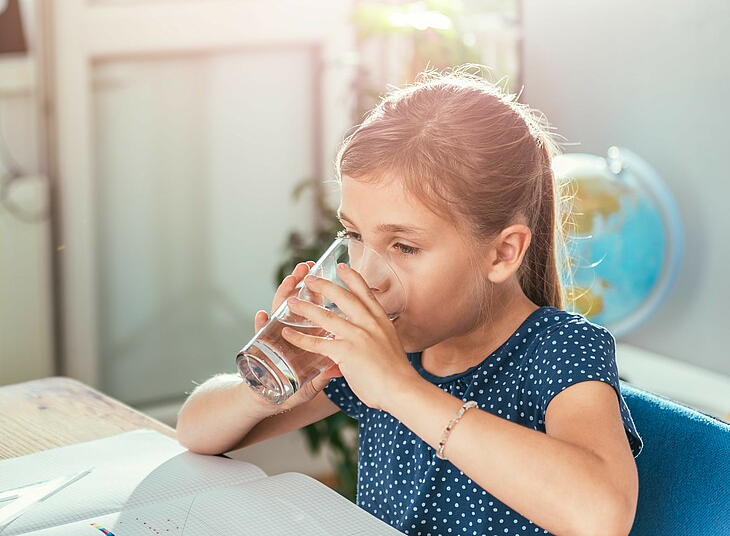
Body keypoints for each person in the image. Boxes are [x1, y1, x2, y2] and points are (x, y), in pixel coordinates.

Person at [177, 68, 642, 535]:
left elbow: (601, 516)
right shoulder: (390, 347)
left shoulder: (560, 349)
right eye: (355, 235)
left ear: (502, 253)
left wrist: (399, 388)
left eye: (405, 247)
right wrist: (273, 384)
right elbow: (194, 431)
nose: (368, 276)